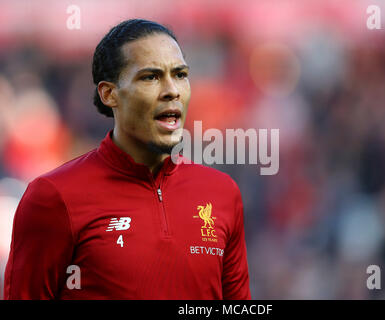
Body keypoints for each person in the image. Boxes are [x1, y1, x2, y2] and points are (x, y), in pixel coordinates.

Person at [3, 19, 251, 300]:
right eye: (151, 77)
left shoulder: (221, 194)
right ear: (109, 94)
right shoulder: (54, 196)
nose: (172, 90)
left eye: (180, 74)